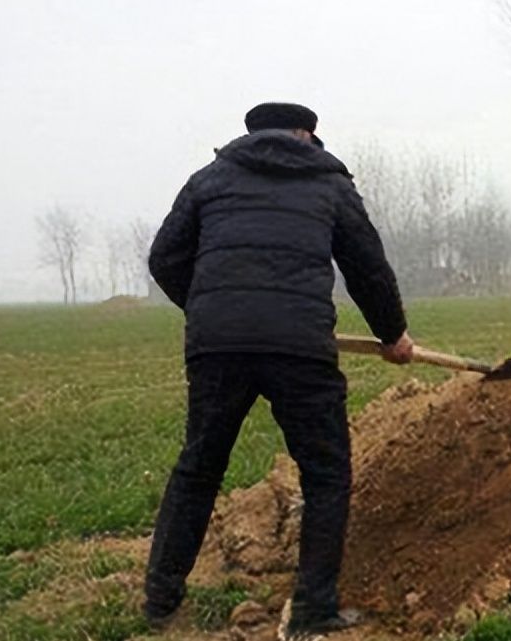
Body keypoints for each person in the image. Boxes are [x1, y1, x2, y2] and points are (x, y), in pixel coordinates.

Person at [143, 102, 413, 640]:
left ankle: (160, 598)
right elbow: (367, 266)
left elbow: (164, 259)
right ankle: (314, 608)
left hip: (216, 348)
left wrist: (208, 308)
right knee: (326, 473)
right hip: (300, 347)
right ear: (306, 134)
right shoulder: (328, 182)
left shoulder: (208, 180)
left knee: (199, 467)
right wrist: (393, 335)